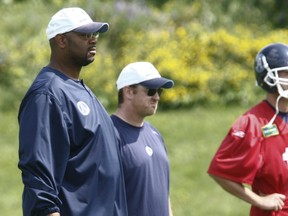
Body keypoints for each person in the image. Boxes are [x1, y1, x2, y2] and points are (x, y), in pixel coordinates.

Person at [18, 7, 127, 216]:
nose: (93, 39)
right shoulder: (47, 95)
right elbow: (40, 184)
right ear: (61, 40)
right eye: (85, 34)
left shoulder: (80, 90)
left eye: (94, 34)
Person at [208, 42, 288, 215]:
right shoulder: (252, 123)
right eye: (287, 73)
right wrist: (258, 200)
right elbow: (220, 171)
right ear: (268, 77)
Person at [111, 62, 174, 216]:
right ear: (129, 92)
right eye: (151, 91)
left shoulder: (155, 134)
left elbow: (164, 193)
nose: (157, 97)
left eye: (159, 91)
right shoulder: (109, 135)